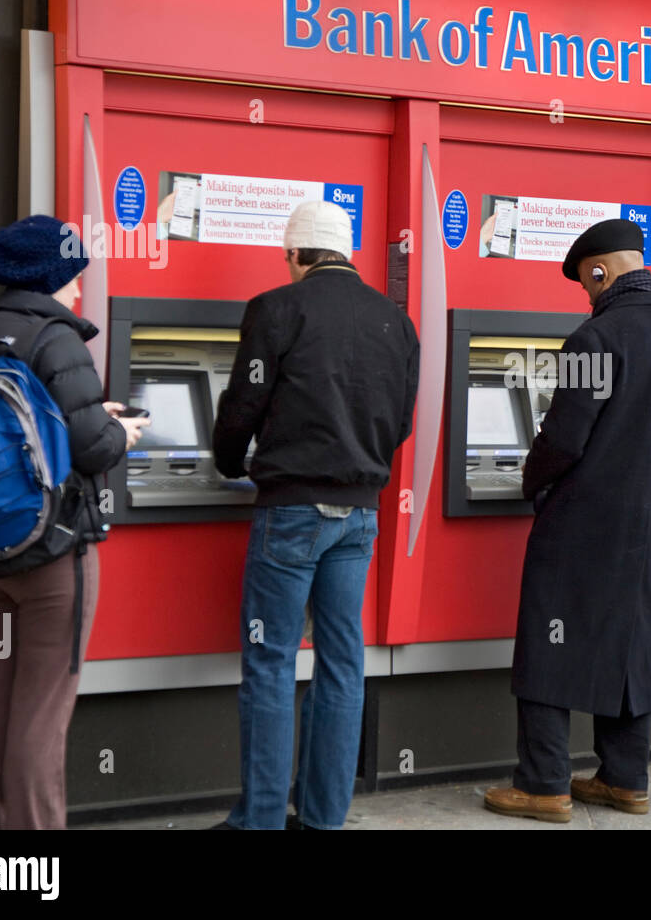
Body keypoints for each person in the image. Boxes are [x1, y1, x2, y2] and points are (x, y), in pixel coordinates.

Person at [0, 215, 148, 828]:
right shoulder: (56, 336)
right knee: (41, 720)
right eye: (72, 277)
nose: (77, 290)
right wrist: (119, 428)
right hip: (54, 559)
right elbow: (94, 447)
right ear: (52, 276)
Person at [484, 218, 651, 823]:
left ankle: (542, 783)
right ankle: (624, 778)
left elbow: (563, 438)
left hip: (582, 521)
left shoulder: (595, 340)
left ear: (599, 271)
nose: (585, 295)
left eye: (585, 283)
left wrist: (531, 481)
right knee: (633, 640)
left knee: (550, 640)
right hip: (650, 523)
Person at [211, 200, 418, 830]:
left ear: (297, 255)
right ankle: (323, 818)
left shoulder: (277, 308)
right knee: (341, 662)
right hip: (359, 516)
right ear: (344, 253)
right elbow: (401, 421)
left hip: (292, 511)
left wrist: (226, 460)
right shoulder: (396, 321)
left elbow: (244, 401)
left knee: (271, 661)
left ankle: (261, 820)